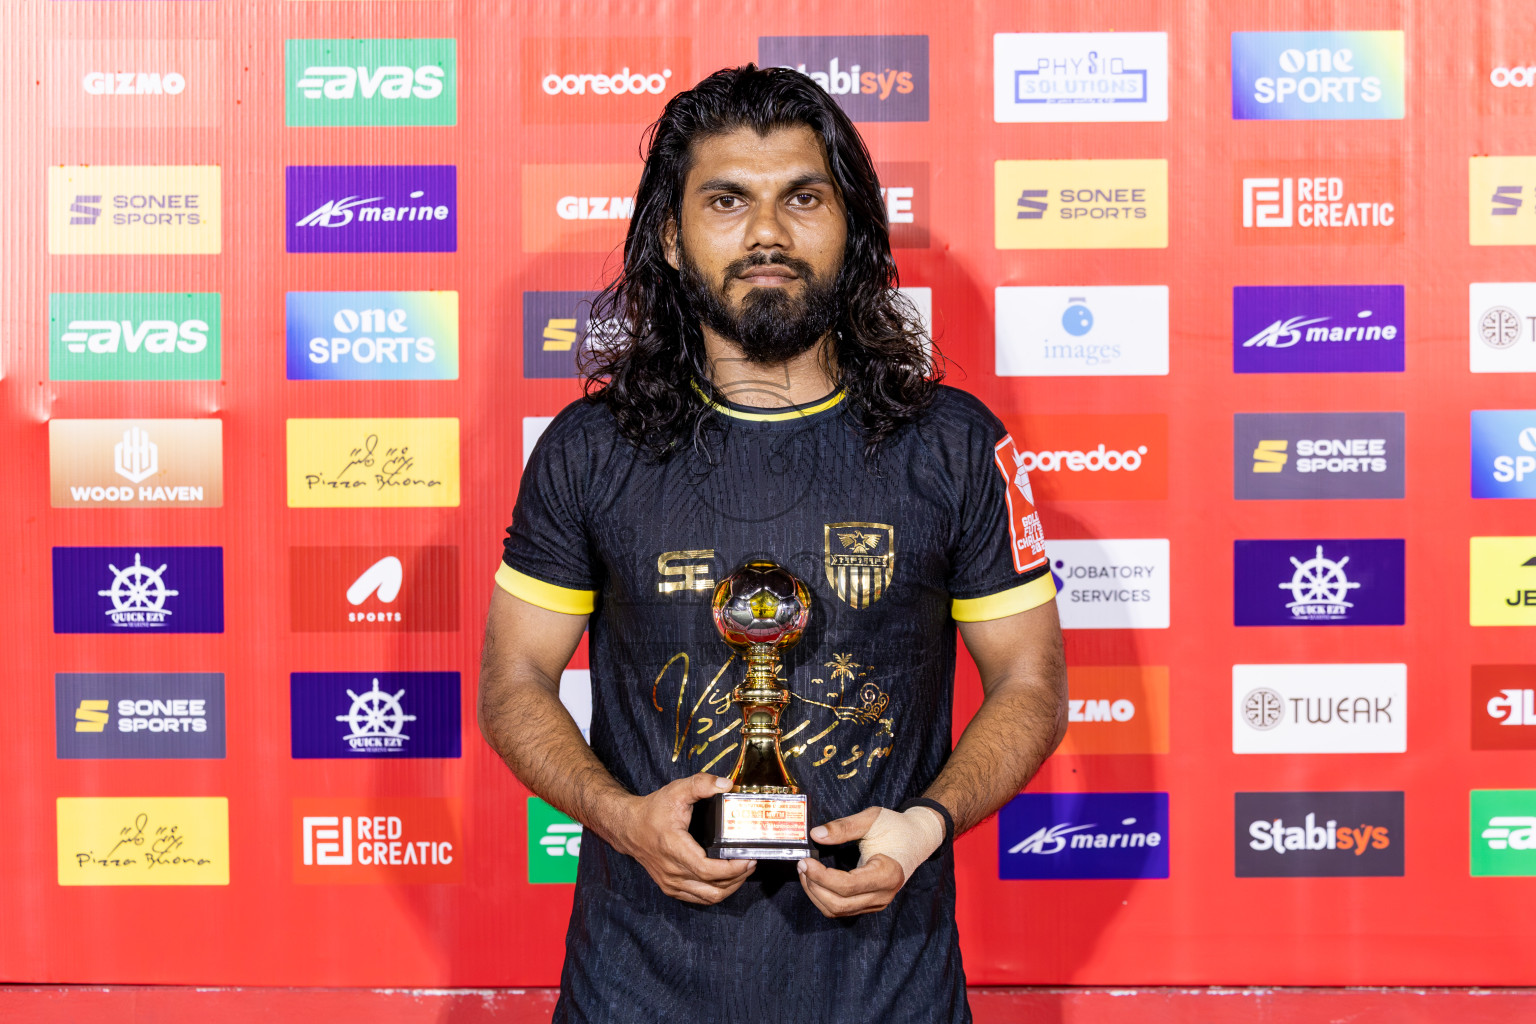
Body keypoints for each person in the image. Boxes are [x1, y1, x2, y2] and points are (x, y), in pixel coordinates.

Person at [478, 64, 1066, 1024]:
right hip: (637, 988)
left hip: (888, 989)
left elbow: (1033, 684)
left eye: (802, 197)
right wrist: (625, 822)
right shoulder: (590, 449)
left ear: (852, 226)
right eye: (725, 201)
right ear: (671, 238)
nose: (766, 234)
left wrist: (921, 829)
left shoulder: (952, 444)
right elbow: (512, 684)